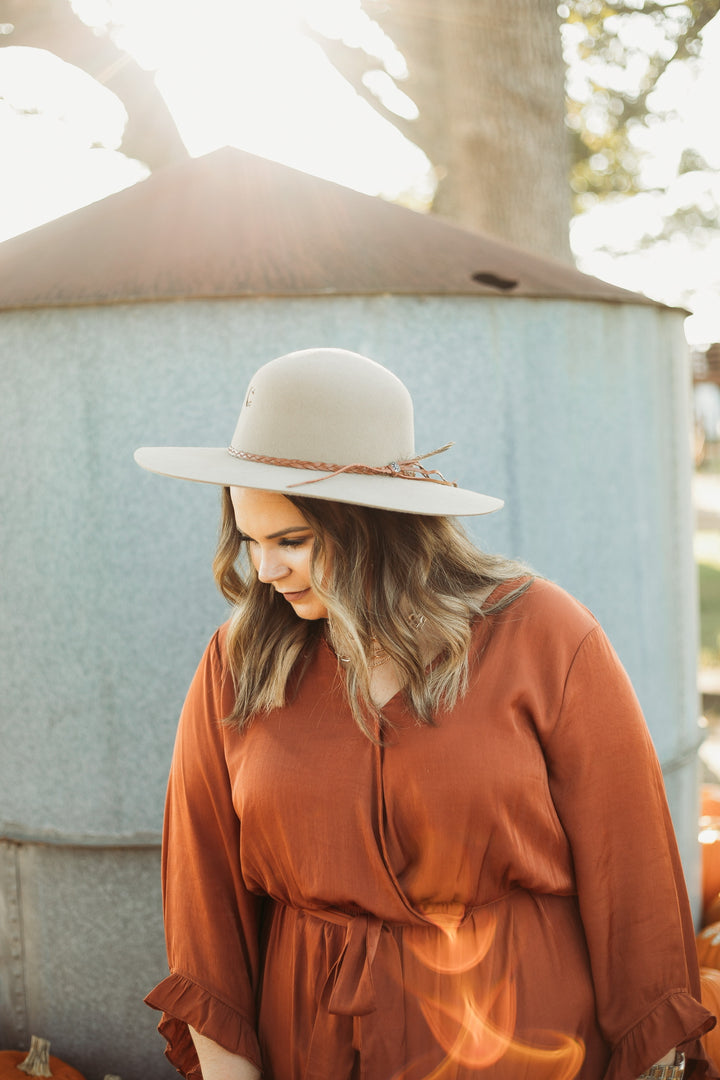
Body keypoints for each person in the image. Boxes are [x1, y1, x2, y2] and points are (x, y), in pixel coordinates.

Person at [136, 347, 715, 1080]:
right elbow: (203, 899)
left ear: (376, 524)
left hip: (525, 1046)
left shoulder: (543, 635)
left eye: (292, 542)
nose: (264, 571)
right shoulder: (239, 662)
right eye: (250, 541)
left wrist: (655, 1064)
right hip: (315, 1051)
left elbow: (631, 873)